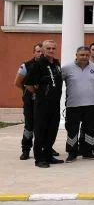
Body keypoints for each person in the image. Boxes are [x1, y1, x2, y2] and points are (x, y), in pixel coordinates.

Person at [23, 40, 63, 168]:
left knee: (52, 130)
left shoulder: (56, 63)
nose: (51, 50)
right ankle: (39, 159)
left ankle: (48, 155)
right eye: (48, 48)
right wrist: (39, 93)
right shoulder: (37, 64)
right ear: (43, 49)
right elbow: (28, 84)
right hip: (42, 104)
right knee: (41, 131)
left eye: (53, 48)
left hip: (55, 103)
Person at [61, 46, 94, 162]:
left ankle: (87, 152)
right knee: (72, 130)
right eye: (82, 55)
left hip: (91, 104)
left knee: (90, 130)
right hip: (73, 105)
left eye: (87, 55)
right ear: (76, 55)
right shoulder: (66, 68)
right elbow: (56, 83)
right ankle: (72, 153)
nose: (84, 57)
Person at [14, 42, 42, 160]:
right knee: (29, 126)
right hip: (30, 101)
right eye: (38, 51)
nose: (40, 54)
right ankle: (25, 149)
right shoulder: (26, 65)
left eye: (42, 51)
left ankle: (47, 148)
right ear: (34, 53)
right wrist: (27, 92)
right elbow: (17, 83)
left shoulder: (49, 65)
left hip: (44, 101)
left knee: (44, 125)